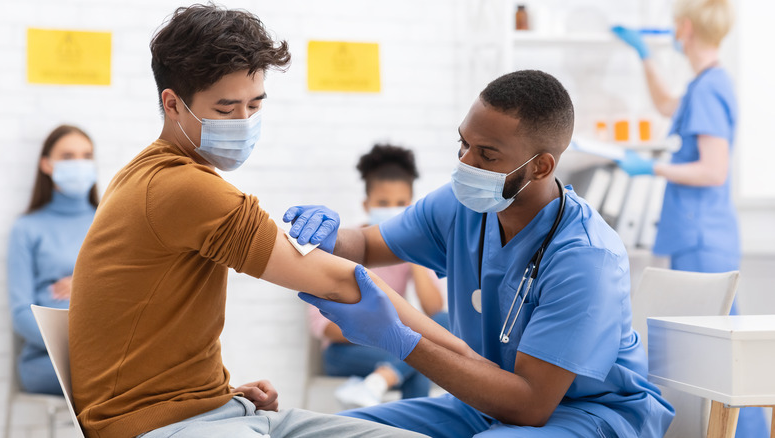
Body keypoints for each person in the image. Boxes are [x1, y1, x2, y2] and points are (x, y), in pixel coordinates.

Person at [66, 5, 481, 438]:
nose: (244, 123)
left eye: (255, 104)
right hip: (154, 428)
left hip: (214, 411)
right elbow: (341, 281)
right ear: (173, 104)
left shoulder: (150, 176)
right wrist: (472, 367)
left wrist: (218, 394)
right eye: (226, 109)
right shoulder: (182, 188)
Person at [290, 70, 675, 437]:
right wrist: (330, 236)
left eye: (487, 156)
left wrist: (401, 340)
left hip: (588, 415)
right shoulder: (460, 207)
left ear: (541, 166)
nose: (465, 163)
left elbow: (531, 406)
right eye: (463, 143)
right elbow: (368, 245)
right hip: (486, 406)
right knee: (337, 432)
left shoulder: (587, 259)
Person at [612, 1, 768, 435]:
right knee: (713, 352)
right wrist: (644, 54)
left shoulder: (710, 88)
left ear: (683, 28)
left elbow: (713, 169)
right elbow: (666, 105)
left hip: (703, 235)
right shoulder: (705, 84)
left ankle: (745, 432)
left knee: (717, 355)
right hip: (696, 233)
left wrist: (653, 167)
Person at [308, 144, 450, 408]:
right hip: (344, 352)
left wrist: (410, 250)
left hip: (390, 345)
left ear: (411, 207)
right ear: (366, 204)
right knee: (419, 358)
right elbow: (322, 327)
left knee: (445, 324)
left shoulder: (409, 249)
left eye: (400, 205)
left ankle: (377, 383)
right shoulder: (340, 245)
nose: (391, 210)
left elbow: (434, 310)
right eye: (383, 203)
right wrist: (383, 332)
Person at [7, 124, 98, 395]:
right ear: (46, 164)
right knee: (112, 378)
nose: (79, 164)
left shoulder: (110, 222)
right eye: (68, 156)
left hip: (106, 351)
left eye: (86, 155)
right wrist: (78, 346)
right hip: (46, 359)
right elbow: (21, 313)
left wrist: (85, 283)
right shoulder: (28, 228)